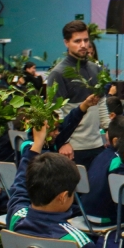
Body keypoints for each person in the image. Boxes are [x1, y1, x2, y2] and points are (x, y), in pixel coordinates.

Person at [46, 21, 109, 168]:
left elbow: (101, 103)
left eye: (86, 40)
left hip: (97, 145)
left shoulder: (96, 69)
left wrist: (108, 130)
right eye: (77, 41)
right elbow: (55, 112)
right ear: (66, 43)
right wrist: (63, 142)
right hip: (72, 149)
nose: (83, 45)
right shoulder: (58, 73)